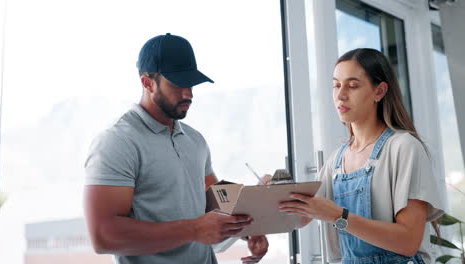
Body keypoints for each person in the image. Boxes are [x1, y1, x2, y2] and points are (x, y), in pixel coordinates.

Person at [84, 33, 268, 264]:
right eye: (177, 84)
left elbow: (213, 197)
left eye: (190, 83)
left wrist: (258, 208)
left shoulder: (194, 140)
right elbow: (103, 236)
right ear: (147, 82)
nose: (188, 94)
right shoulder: (117, 141)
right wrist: (194, 230)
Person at [279, 48, 446, 264]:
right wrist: (272, 192)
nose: (340, 95)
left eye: (353, 85)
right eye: (336, 85)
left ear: (379, 91)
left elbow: (408, 242)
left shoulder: (403, 148)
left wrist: (339, 217)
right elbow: (301, 215)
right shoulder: (336, 161)